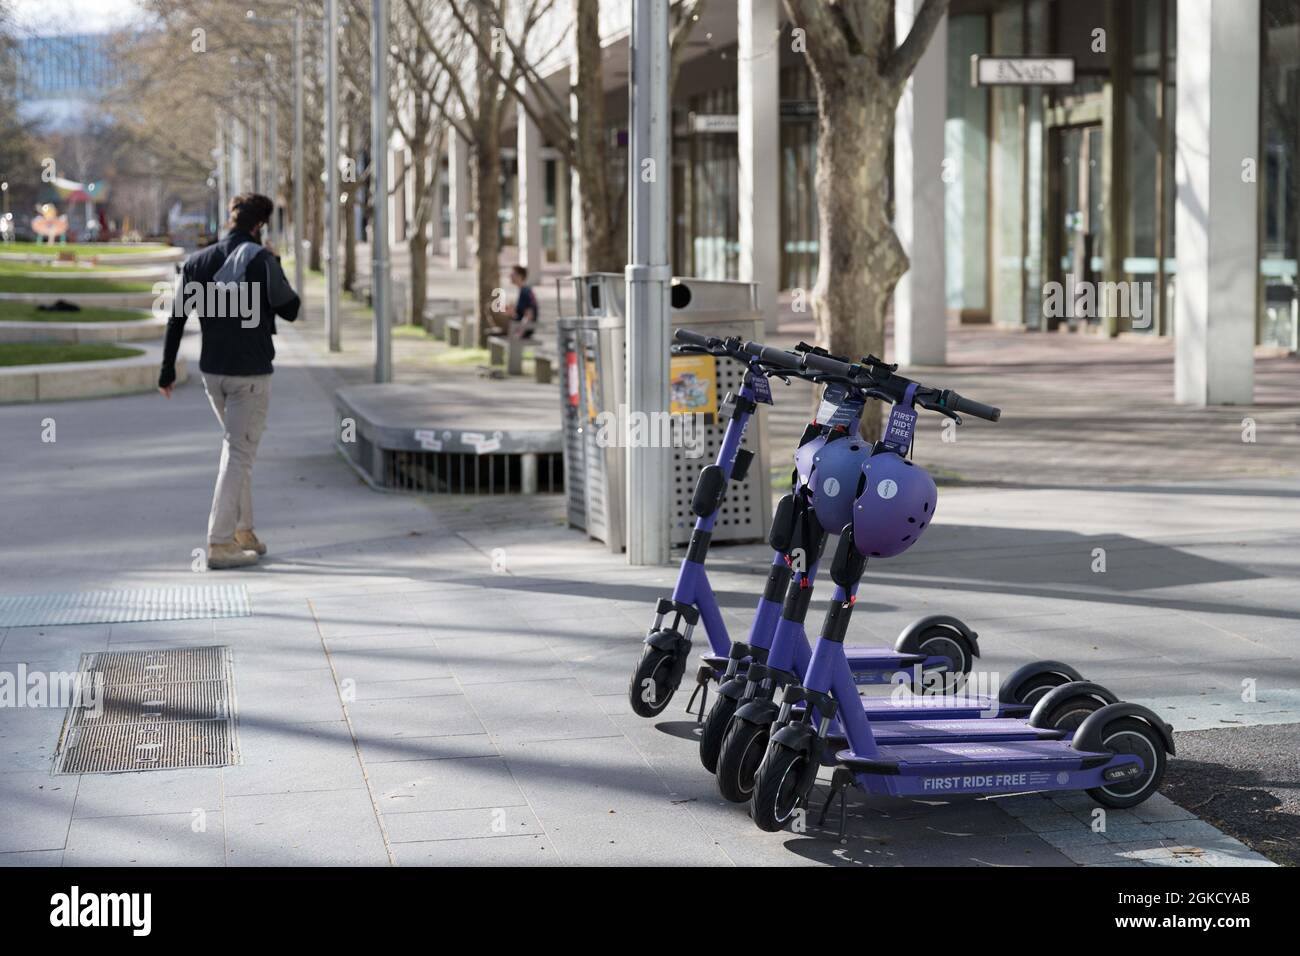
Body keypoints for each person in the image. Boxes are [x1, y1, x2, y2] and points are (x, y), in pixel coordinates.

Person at [158, 193, 301, 570]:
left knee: (239, 451)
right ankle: (220, 542)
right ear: (258, 225)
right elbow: (292, 309)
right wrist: (277, 264)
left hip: (213, 373)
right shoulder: (262, 260)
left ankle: (244, 532)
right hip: (250, 375)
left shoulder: (197, 262)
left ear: (230, 220)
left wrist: (167, 370)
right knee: (238, 453)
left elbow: (176, 318)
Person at [506, 264, 538, 339]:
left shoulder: (525, 292)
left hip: (524, 329)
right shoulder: (523, 291)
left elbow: (529, 315)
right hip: (517, 326)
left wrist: (519, 333)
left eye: (513, 274)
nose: (510, 276)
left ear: (519, 276)